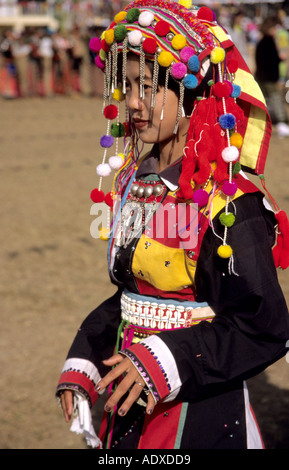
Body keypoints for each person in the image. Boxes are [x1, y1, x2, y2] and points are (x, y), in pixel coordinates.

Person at [56, 0, 289, 450]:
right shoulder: (137, 181)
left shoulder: (227, 200)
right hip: (129, 405)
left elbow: (264, 325)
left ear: (189, 91)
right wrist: (84, 361)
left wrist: (163, 360)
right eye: (125, 86)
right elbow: (133, 297)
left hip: (200, 415)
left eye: (148, 86)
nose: (132, 103)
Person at [255, 16, 289, 138]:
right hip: (268, 77)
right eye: (274, 28)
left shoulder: (262, 42)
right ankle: (282, 123)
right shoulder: (268, 42)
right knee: (275, 99)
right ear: (269, 28)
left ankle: (269, 122)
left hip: (262, 76)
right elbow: (270, 61)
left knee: (266, 100)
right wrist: (280, 58)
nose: (276, 30)